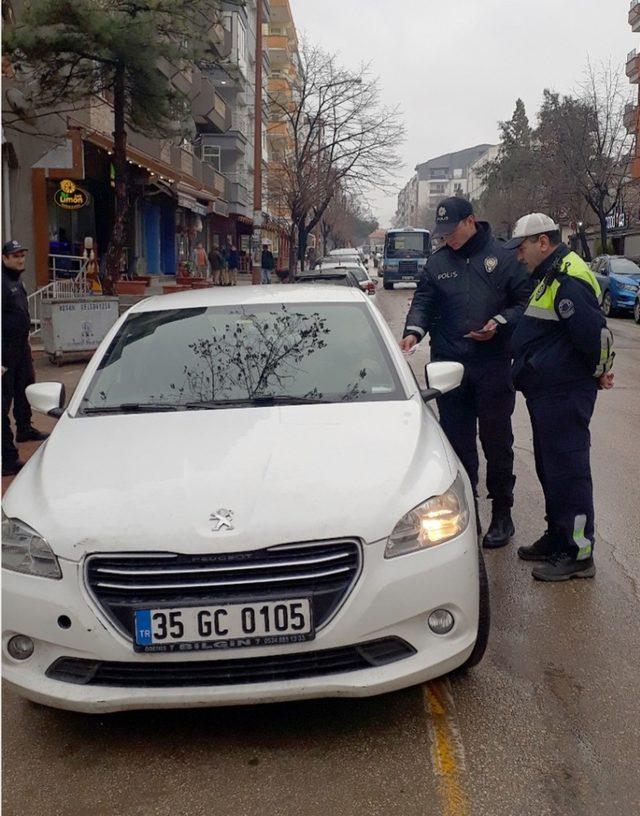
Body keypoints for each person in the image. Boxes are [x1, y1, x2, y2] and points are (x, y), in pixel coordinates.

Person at [400, 197, 531, 547]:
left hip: (492, 363)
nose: (448, 239)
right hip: (450, 367)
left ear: (471, 221)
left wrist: (500, 323)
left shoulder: (503, 258)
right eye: (442, 234)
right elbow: (424, 302)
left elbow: (525, 302)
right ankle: (468, 510)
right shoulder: (437, 262)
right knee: (457, 444)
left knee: (497, 442)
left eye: (452, 231)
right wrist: (413, 330)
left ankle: (502, 513)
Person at [505, 213, 614, 582]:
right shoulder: (550, 273)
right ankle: (557, 536)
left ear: (542, 242)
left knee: (569, 472)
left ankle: (578, 552)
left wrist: (596, 373)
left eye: (521, 247)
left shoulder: (568, 277)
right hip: (547, 391)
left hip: (564, 392)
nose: (519, 256)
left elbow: (592, 336)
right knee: (551, 469)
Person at [2, 240, 49, 476]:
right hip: (4, 356)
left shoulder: (16, 281)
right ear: (4, 258)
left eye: (22, 255)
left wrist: (27, 341)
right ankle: (7, 459)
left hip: (21, 350)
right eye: (15, 255)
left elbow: (20, 314)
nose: (20, 259)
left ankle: (24, 428)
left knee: (24, 391)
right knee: (3, 405)